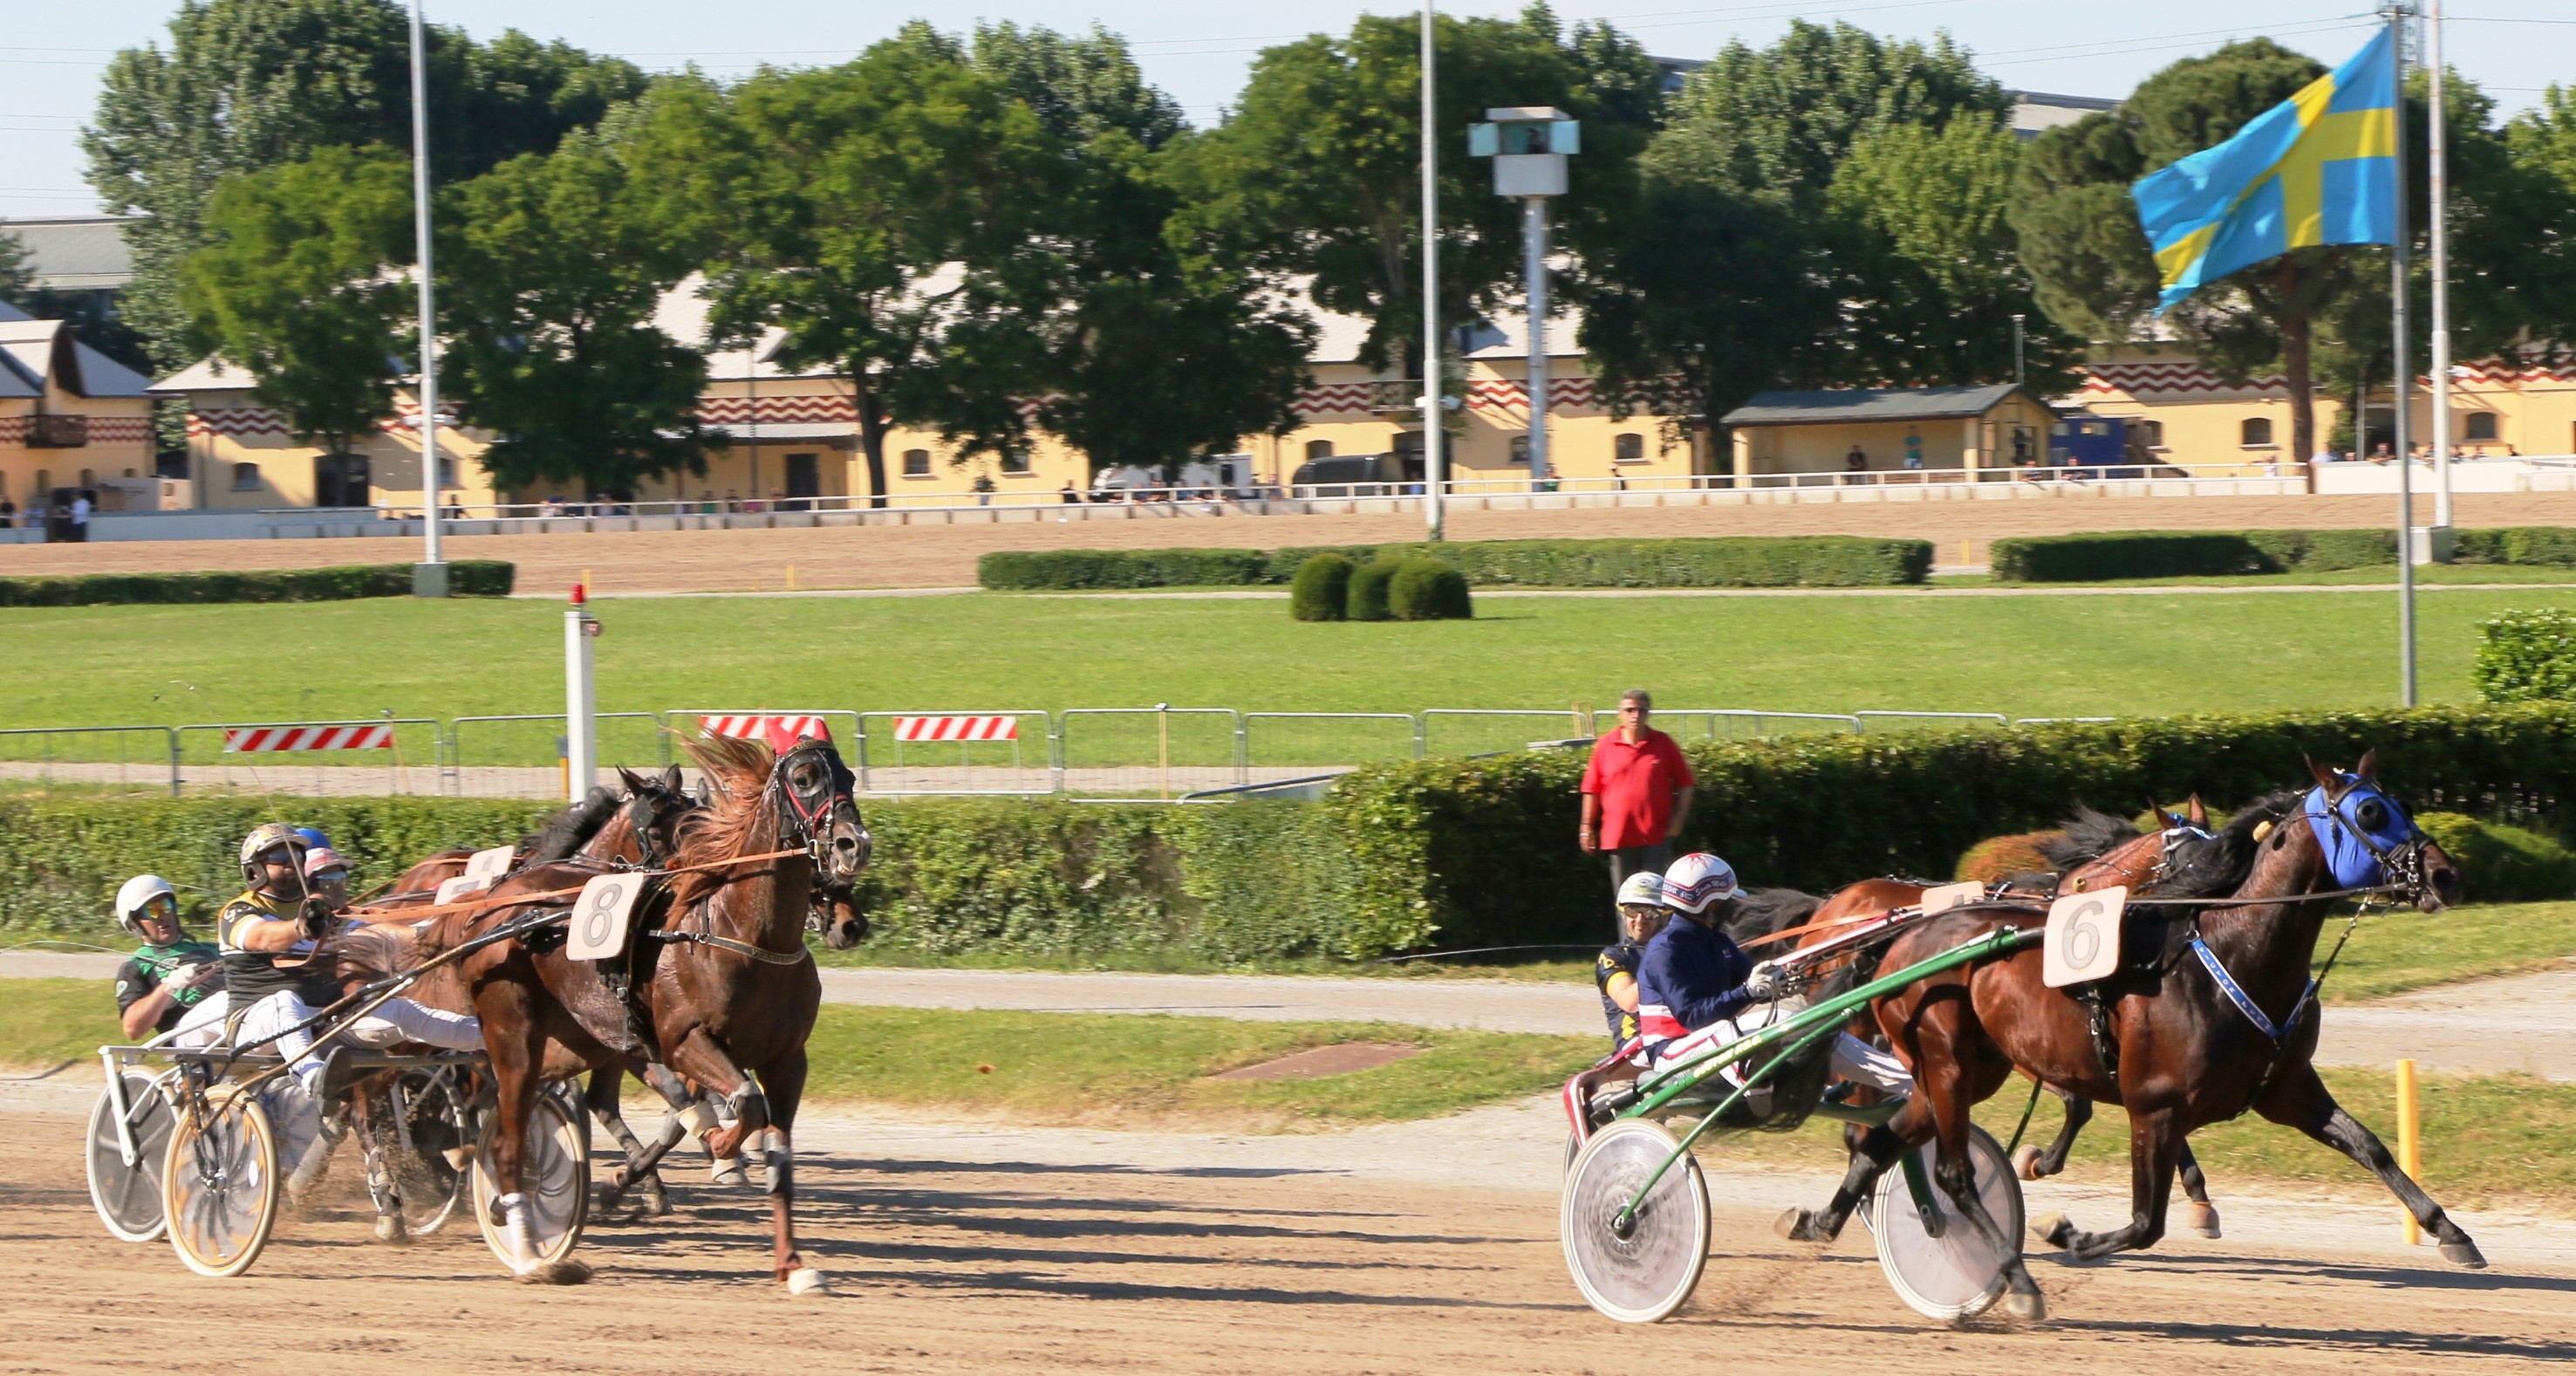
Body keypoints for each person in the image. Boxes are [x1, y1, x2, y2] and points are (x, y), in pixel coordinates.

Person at [1634, 853, 1911, 1106]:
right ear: (1711, 905)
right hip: (1673, 1053)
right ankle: (1764, 1089)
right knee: (1753, 1025)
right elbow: (1694, 1017)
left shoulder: (1717, 942)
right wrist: (1749, 991)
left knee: (1811, 1025)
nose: (1732, 909)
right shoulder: (1665, 951)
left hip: (1714, 1040)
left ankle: (1908, 1082)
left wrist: (1783, 981)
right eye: (1726, 902)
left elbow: (1752, 984)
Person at [1578, 689, 1695, 934]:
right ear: (1620, 713)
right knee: (1624, 899)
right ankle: (1627, 951)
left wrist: (1679, 818)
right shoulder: (1605, 745)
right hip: (1618, 836)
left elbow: (1686, 782)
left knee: (1656, 898)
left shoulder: (1663, 743)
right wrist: (1587, 827)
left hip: (1656, 835)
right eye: (1630, 710)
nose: (1636, 715)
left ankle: (1657, 950)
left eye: (1641, 709)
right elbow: (1591, 789)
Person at [110, 875, 225, 1042]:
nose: (162, 916)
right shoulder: (136, 965)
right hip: (187, 1031)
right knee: (223, 1001)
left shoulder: (211, 948)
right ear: (134, 925)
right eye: (152, 911)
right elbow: (132, 1029)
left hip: (232, 1009)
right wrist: (169, 986)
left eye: (165, 906)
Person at [1595, 872, 1671, 1051]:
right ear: (1623, 912)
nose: (1640, 920)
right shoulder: (1613, 956)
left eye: (1650, 913)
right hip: (1636, 1044)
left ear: (1665, 916)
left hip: (1679, 1031)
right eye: (1632, 910)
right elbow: (1629, 1001)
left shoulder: (1677, 949)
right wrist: (1668, 966)